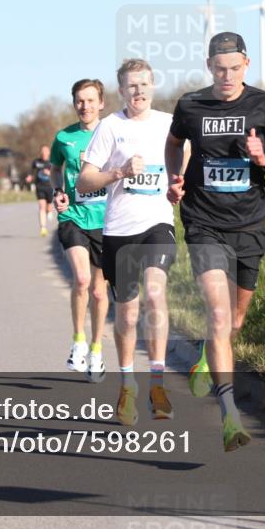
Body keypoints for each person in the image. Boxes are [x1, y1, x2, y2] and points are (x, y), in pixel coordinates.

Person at [165, 32, 265, 451]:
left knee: (234, 323)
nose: (227, 76)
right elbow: (173, 145)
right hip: (203, 223)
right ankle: (230, 416)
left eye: (235, 69)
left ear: (246, 65)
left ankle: (209, 355)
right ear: (209, 67)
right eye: (219, 69)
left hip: (249, 227)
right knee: (219, 316)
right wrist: (174, 178)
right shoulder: (190, 105)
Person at [77, 58, 176, 426]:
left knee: (155, 294)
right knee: (129, 313)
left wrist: (182, 184)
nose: (139, 91)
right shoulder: (109, 127)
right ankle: (127, 384)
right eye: (132, 86)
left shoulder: (169, 124)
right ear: (122, 91)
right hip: (119, 231)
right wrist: (118, 172)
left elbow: (188, 162)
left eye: (145, 84)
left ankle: (158, 383)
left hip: (157, 224)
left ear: (153, 86)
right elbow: (83, 182)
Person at [50, 79, 110, 382]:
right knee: (82, 278)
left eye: (90, 100)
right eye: (79, 101)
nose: (84, 106)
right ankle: (78, 340)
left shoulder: (113, 133)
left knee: (100, 291)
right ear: (74, 104)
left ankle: (97, 349)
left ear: (101, 103)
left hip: (107, 220)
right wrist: (57, 191)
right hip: (72, 216)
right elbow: (54, 169)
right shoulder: (64, 137)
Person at [26, 145, 54, 236]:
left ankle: (49, 210)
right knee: (42, 206)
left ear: (49, 153)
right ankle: (43, 228)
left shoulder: (52, 162)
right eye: (42, 152)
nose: (44, 153)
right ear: (40, 153)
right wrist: (30, 177)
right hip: (39, 187)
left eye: (46, 152)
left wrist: (49, 173)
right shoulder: (36, 162)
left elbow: (56, 174)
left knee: (49, 206)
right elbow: (32, 172)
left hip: (50, 187)